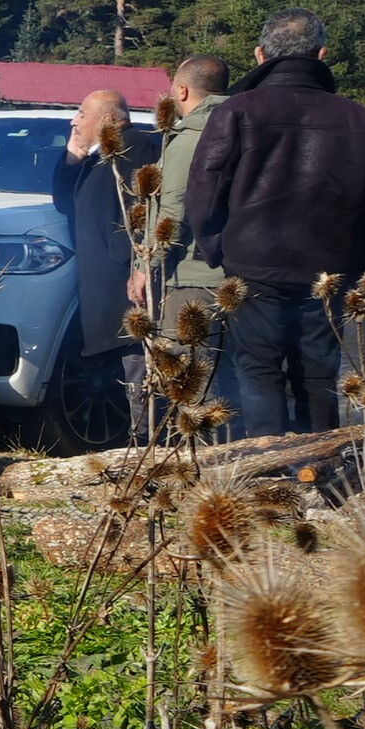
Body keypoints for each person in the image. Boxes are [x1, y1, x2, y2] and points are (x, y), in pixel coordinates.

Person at [183, 12, 365, 443]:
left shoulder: (238, 110)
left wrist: (218, 247)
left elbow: (203, 191)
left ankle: (266, 463)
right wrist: (362, 265)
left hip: (254, 262)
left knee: (258, 366)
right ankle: (317, 461)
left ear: (260, 55)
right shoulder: (360, 118)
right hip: (330, 267)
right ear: (321, 55)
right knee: (318, 369)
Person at [53, 89, 140, 444]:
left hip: (126, 287)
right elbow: (63, 202)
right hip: (99, 287)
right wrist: (72, 157)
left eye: (81, 112)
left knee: (136, 367)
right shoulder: (96, 157)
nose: (74, 120)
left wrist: (130, 261)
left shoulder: (137, 151)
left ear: (108, 119)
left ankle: (144, 441)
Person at [137, 54, 231, 335]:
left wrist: (146, 266)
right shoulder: (243, 131)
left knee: (184, 371)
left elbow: (172, 211)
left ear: (182, 91)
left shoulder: (189, 140)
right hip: (236, 275)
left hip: (191, 277)